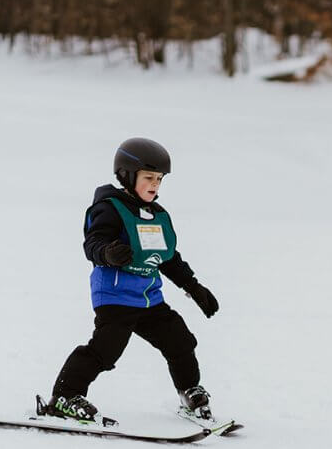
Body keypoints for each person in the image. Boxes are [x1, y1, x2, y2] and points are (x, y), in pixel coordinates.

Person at [43, 138, 222, 423]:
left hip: (149, 297)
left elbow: (168, 258)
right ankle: (64, 396)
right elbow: (93, 244)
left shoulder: (157, 215)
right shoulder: (110, 208)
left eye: (160, 179)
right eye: (149, 177)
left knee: (180, 341)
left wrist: (194, 287)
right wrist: (108, 253)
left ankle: (190, 392)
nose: (155, 185)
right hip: (115, 296)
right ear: (126, 175)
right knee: (106, 350)